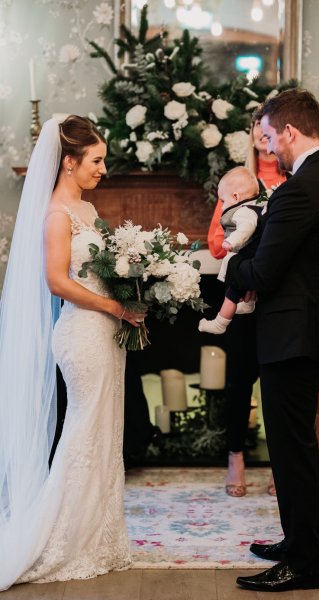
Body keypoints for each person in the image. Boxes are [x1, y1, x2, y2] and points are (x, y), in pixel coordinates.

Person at [0, 116, 147, 590]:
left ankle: (98, 539)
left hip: (107, 333)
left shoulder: (89, 210)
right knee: (84, 433)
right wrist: (114, 307)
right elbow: (58, 281)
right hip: (82, 335)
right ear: (69, 161)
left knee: (106, 432)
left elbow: (105, 269)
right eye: (97, 160)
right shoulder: (56, 215)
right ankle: (58, 541)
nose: (104, 168)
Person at [227, 89, 319, 592]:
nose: (266, 150)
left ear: (290, 131)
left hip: (293, 335)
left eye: (267, 138)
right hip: (312, 330)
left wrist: (231, 266)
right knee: (295, 446)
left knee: (290, 450)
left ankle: (304, 563)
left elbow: (260, 269)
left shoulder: (300, 189)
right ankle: (302, 541)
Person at [205, 119, 286, 498]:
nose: (261, 134)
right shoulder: (237, 184)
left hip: (279, 298)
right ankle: (235, 457)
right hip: (242, 300)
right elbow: (218, 243)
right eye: (256, 126)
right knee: (239, 381)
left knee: (279, 386)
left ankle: (280, 462)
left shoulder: (292, 180)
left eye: (266, 127)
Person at [198, 166, 263, 335]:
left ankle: (220, 323)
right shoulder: (255, 206)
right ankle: (249, 304)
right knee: (238, 290)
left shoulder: (244, 212)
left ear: (236, 197)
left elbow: (245, 229)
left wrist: (231, 242)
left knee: (232, 292)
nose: (222, 206)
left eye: (223, 201)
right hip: (251, 258)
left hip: (245, 257)